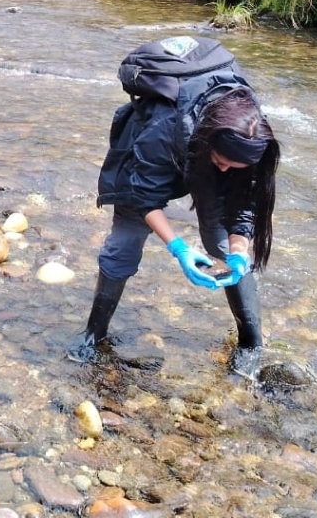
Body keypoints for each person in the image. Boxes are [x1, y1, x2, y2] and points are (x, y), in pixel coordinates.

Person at [69, 45, 279, 375]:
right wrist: (178, 248)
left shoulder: (250, 137)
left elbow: (243, 207)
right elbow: (145, 199)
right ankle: (93, 335)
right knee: (123, 244)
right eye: (222, 163)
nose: (227, 171)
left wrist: (238, 253)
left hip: (202, 149)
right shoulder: (162, 129)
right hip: (155, 148)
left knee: (223, 245)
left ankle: (252, 344)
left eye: (233, 167)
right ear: (209, 144)